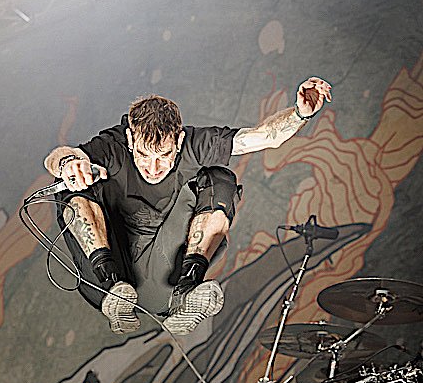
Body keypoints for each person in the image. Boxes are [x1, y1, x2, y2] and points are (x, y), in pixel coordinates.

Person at [44, 77, 332, 334]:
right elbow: (57, 157)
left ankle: (186, 290)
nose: (153, 168)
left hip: (161, 276)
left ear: (179, 140)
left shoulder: (194, 144)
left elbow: (263, 137)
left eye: (164, 156)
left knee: (220, 179)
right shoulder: (112, 145)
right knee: (72, 184)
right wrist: (69, 164)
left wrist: (300, 114)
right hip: (105, 274)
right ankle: (113, 288)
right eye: (144, 155)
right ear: (130, 139)